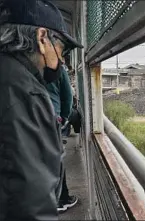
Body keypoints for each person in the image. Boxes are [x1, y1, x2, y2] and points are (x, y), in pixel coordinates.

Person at [0, 0, 83, 220]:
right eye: (61, 49)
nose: (62, 59)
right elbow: (31, 201)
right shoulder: (26, 94)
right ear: (42, 37)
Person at [46, 64, 78, 212]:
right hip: (51, 120)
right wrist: (63, 118)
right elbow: (67, 96)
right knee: (55, 159)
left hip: (20, 119)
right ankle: (61, 200)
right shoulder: (55, 66)